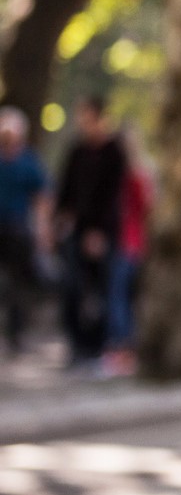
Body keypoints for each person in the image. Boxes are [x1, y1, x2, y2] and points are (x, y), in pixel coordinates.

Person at [53, 95, 128, 366]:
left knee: (102, 290)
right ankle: (77, 345)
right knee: (72, 286)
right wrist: (60, 219)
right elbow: (66, 189)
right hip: (76, 229)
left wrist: (98, 231)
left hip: (103, 232)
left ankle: (99, 347)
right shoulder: (77, 151)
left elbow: (112, 196)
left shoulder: (114, 151)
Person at [0, 106, 51, 356]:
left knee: (18, 283)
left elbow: (42, 197)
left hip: (18, 229)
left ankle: (16, 334)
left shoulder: (28, 161)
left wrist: (42, 230)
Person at [102, 129, 153, 375]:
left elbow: (144, 208)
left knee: (118, 296)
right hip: (129, 241)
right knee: (123, 296)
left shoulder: (129, 176)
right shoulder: (135, 174)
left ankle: (123, 348)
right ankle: (124, 347)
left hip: (127, 241)